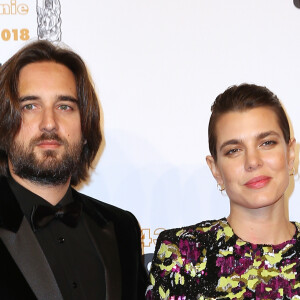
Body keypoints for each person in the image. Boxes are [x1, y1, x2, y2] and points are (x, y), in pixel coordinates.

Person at [0, 40, 147, 300]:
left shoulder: (122, 228)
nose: (49, 123)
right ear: (4, 122)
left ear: (85, 126)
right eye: (30, 106)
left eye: (64, 106)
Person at [146, 84, 299, 299]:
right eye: (234, 150)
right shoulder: (184, 253)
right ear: (215, 169)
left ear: (290, 154)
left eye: (267, 143)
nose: (253, 162)